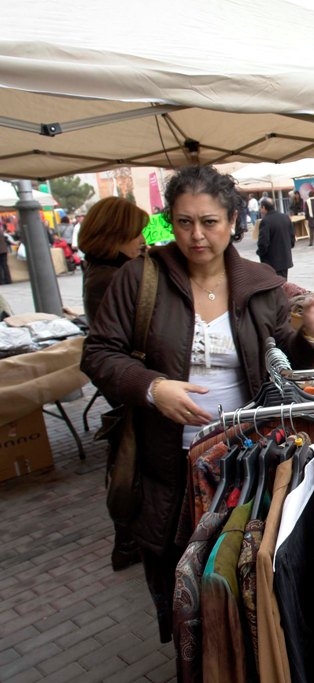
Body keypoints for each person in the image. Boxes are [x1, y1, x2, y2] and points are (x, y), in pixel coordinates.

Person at [81, 165, 314, 644]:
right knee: (182, 577)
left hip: (246, 459)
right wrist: (154, 388)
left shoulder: (262, 283)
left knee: (242, 573)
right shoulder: (140, 278)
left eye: (209, 222)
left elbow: (283, 364)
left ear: (233, 219)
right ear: (170, 221)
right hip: (168, 461)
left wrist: (310, 334)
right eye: (183, 222)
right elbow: (98, 354)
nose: (196, 235)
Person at [77, 197, 150, 571]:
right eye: (135, 231)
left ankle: (128, 542)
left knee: (131, 463)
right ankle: (128, 543)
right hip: (134, 386)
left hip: (130, 384)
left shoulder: (106, 269)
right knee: (132, 465)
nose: (141, 237)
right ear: (115, 234)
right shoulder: (110, 277)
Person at [256, 196, 294, 279]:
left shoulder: (266, 221)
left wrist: (261, 253)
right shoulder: (285, 217)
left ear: (264, 207)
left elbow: (263, 242)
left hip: (271, 260)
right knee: (284, 283)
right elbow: (292, 236)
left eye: (260, 207)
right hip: (285, 257)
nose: (260, 209)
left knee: (274, 284)